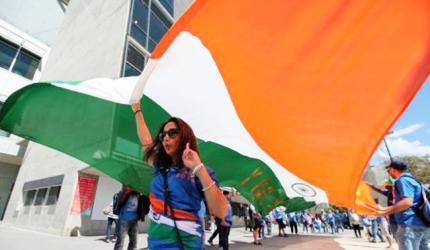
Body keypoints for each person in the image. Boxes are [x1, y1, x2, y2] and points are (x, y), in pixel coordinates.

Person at [132, 100, 228, 250]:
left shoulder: (200, 171)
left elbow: (221, 211)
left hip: (186, 245)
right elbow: (146, 143)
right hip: (155, 245)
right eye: (163, 135)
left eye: (172, 133)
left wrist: (199, 169)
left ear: (185, 136)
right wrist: (137, 111)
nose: (165, 138)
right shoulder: (161, 167)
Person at [377, 161, 429, 250]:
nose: (388, 173)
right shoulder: (412, 179)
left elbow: (407, 202)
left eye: (388, 170)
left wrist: (385, 210)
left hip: (410, 224)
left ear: (393, 169)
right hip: (421, 223)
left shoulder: (402, 180)